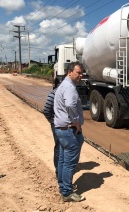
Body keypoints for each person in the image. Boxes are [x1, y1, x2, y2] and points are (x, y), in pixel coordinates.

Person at [54, 61, 85, 202]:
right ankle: (66, 192)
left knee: (62, 159)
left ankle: (63, 185)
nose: (81, 75)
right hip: (68, 129)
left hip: (61, 128)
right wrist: (76, 121)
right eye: (78, 73)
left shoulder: (64, 85)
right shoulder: (70, 88)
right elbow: (70, 104)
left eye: (82, 73)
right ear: (70, 72)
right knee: (69, 162)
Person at [42, 87, 59, 178]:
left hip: (67, 127)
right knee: (59, 150)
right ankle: (59, 174)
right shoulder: (55, 93)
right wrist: (52, 121)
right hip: (57, 126)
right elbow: (46, 110)